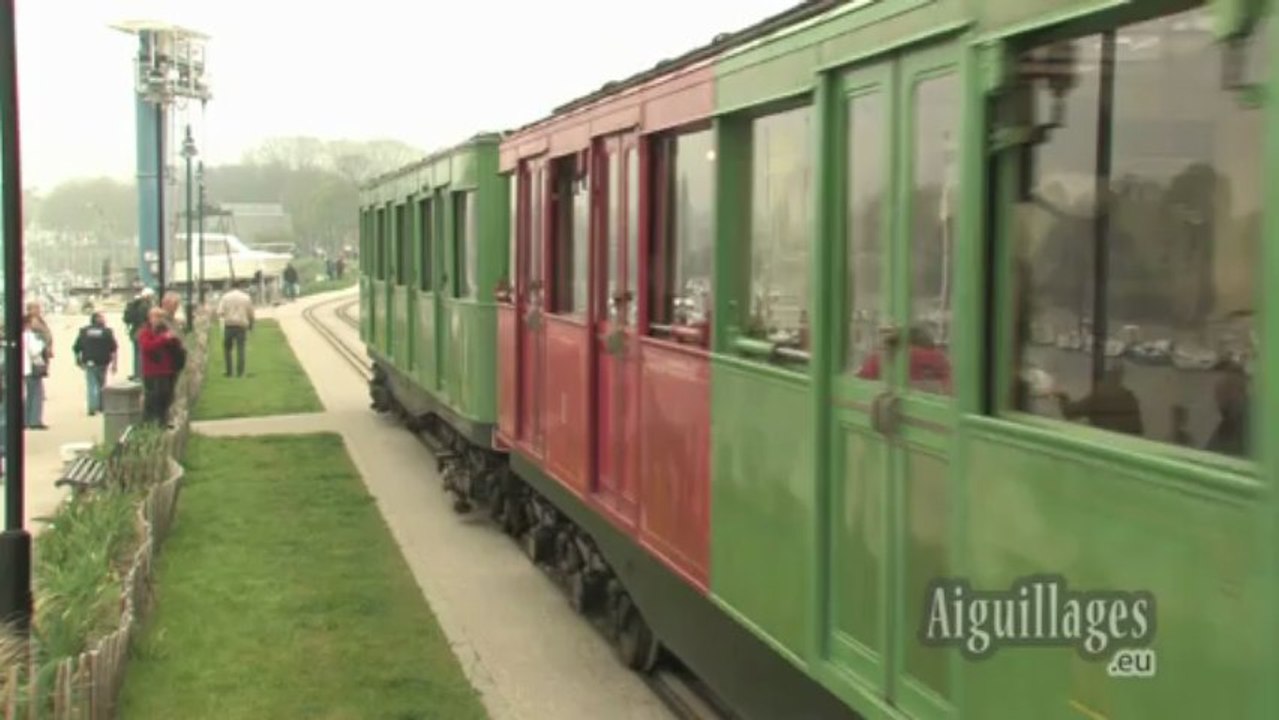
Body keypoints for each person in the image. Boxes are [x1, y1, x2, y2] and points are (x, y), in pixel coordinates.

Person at [137, 306, 183, 426]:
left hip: (167, 369)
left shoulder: (165, 330)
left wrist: (173, 339)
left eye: (161, 317)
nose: (159, 319)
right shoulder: (145, 332)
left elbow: (176, 346)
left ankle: (164, 419)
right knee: (153, 397)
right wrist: (163, 339)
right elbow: (147, 347)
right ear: (150, 317)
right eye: (156, 316)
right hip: (152, 371)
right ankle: (149, 422)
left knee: (167, 396)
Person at [72, 312, 119, 416]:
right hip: (103, 361)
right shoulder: (107, 332)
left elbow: (76, 347)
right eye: (103, 318)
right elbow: (114, 349)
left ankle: (92, 407)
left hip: (89, 361)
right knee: (102, 384)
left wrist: (77, 360)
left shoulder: (84, 331)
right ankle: (102, 406)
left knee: (91, 384)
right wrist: (115, 364)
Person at [217, 281, 255, 377]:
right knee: (241, 348)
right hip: (241, 325)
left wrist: (227, 314)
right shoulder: (246, 297)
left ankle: (229, 371)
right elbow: (251, 313)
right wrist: (251, 324)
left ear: (231, 287)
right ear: (240, 286)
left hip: (229, 324)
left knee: (227, 349)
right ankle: (240, 372)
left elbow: (220, 312)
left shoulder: (225, 297)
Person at [123, 286, 155, 380]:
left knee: (136, 353)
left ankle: (136, 373)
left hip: (134, 331)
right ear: (148, 296)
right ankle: (141, 374)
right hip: (142, 331)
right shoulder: (145, 306)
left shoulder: (135, 304)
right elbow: (147, 319)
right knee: (141, 353)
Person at [22, 315, 47, 430]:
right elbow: (34, 351)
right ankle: (34, 421)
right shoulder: (30, 336)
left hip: (25, 368)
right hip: (31, 369)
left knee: (28, 395)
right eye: (34, 322)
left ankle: (25, 420)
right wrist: (42, 343)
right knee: (36, 395)